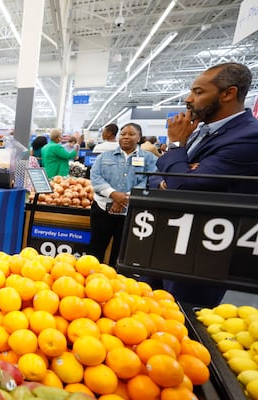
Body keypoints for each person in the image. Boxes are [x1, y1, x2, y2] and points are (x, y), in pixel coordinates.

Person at [151, 62, 258, 306]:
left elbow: (184, 187)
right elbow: (161, 174)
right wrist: (176, 174)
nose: (189, 99)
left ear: (228, 94)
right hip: (164, 245)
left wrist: (177, 147)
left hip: (202, 255)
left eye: (198, 92)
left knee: (183, 326)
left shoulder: (250, 137)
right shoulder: (200, 132)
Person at [89, 122, 158, 266]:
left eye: (131, 134)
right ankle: (92, 277)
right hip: (102, 209)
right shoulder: (105, 157)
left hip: (131, 213)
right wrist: (113, 194)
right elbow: (95, 176)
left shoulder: (149, 159)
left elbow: (151, 179)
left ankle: (116, 281)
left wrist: (125, 198)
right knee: (96, 249)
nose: (126, 137)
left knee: (122, 252)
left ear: (139, 137)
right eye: (123, 134)